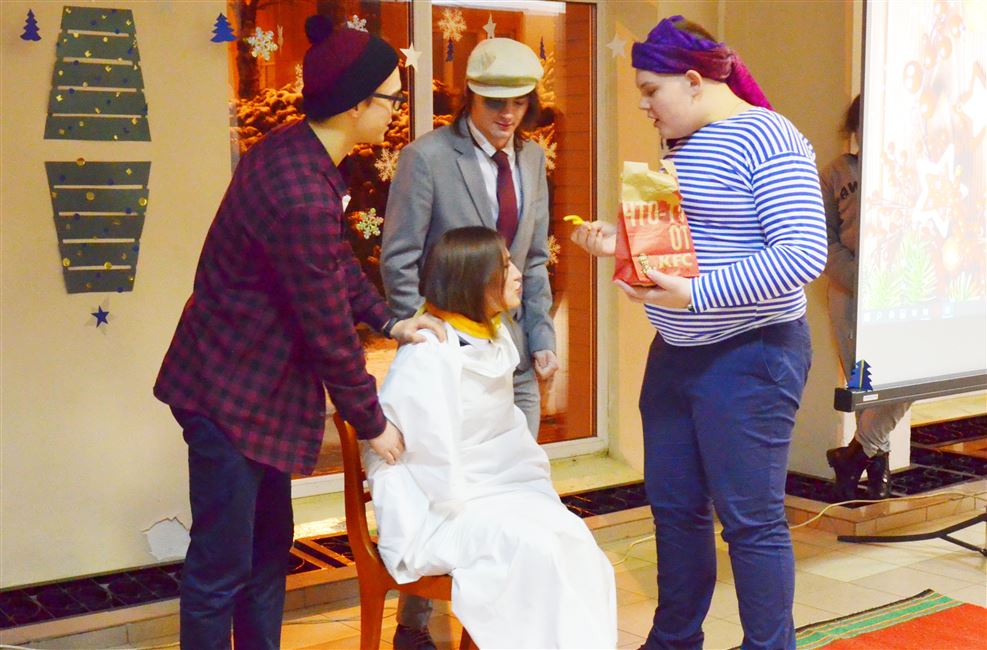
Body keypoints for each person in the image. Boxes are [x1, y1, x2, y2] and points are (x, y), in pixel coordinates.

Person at [153, 16, 442, 649]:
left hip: (256, 393)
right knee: (221, 569)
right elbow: (326, 328)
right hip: (227, 394)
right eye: (391, 99)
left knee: (265, 557)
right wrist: (372, 422)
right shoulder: (300, 191)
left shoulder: (298, 155)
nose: (396, 111)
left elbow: (332, 265)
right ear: (356, 104)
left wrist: (390, 320)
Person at [570, 16, 827, 650]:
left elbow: (802, 254)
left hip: (751, 354)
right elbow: (692, 246)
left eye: (650, 90)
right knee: (676, 511)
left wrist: (695, 294)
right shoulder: (683, 145)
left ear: (692, 81)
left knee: (751, 522)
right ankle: (674, 640)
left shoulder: (769, 137)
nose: (644, 104)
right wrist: (622, 246)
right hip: (678, 353)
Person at [380, 37, 558, 647]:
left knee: (513, 491)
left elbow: (534, 260)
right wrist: (421, 331)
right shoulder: (427, 157)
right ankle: (413, 627)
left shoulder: (532, 158)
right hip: (448, 353)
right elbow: (400, 258)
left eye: (519, 102)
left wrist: (542, 334)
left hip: (510, 349)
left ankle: (492, 627)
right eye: (494, 103)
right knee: (444, 487)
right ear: (469, 99)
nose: (508, 115)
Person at [368, 226, 617, 650]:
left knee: (574, 539)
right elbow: (422, 459)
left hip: (499, 488)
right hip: (444, 505)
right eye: (504, 266)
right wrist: (486, 492)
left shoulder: (495, 336)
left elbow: (502, 434)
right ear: (473, 279)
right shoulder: (430, 350)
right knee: (534, 547)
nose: (518, 273)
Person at [821, 95, 909, 500]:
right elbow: (824, 240)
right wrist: (860, 278)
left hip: (905, 290)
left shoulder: (912, 168)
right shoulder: (836, 173)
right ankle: (875, 467)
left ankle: (854, 454)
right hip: (851, 291)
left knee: (907, 376)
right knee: (864, 381)